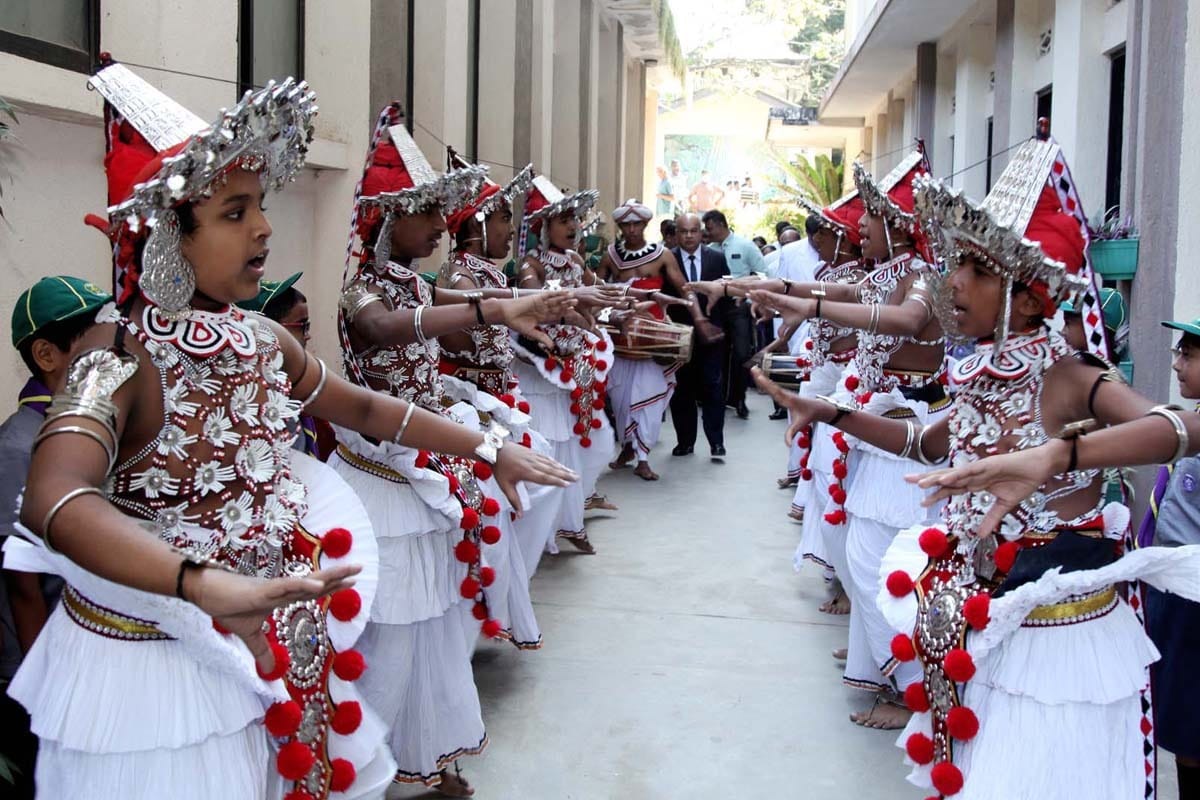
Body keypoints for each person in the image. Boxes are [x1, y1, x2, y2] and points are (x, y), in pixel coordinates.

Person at [8, 61, 567, 800]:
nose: (265, 227)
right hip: (153, 660)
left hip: (268, 627)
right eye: (234, 212)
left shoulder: (261, 340)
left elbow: (365, 409)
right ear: (165, 233)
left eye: (259, 206)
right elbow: (53, 501)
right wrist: (197, 584)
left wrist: (490, 447)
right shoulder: (113, 356)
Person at [766, 135, 1200, 799]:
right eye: (955, 264)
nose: (952, 283)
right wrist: (829, 411)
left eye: (976, 270)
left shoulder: (1066, 374)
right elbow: (929, 445)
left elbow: (1182, 426)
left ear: (1028, 300)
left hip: (1056, 627)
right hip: (986, 608)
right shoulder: (980, 372)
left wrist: (1063, 452)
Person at [333, 109, 578, 796]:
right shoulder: (363, 292)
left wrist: (544, 301)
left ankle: (427, 752)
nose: (444, 227)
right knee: (389, 637)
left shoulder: (414, 283)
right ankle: (359, 774)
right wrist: (491, 311)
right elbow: (385, 330)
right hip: (381, 480)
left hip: (428, 469)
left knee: (436, 626)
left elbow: (446, 306)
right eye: (430, 215)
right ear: (387, 217)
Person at [0, 276, 110, 800]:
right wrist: (48, 685)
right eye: (93, 346)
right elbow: (23, 584)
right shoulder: (22, 445)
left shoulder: (85, 427)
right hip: (47, 661)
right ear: (47, 353)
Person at [512, 174, 618, 554]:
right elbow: (533, 298)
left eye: (574, 219)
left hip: (577, 364)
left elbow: (594, 295)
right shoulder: (530, 263)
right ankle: (548, 528)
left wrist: (618, 303)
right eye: (564, 220)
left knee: (590, 439)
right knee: (550, 442)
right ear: (543, 226)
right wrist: (569, 308)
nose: (573, 226)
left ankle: (569, 519)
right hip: (540, 364)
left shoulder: (575, 259)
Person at [594, 198, 691, 481]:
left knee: (648, 397)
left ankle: (644, 457)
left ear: (646, 224)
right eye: (627, 224)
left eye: (637, 223)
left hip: (653, 332)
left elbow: (683, 287)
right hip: (621, 335)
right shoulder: (611, 255)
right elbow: (596, 288)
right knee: (620, 396)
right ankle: (627, 448)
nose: (632, 229)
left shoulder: (662, 254)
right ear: (621, 226)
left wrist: (695, 308)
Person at [236, 273, 336, 460]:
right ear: (270, 329)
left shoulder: (299, 382)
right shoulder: (252, 397)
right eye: (302, 325)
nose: (308, 336)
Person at [668, 213, 731, 458]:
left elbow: (725, 297)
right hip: (679, 337)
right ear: (676, 233)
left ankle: (716, 442)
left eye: (694, 231)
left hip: (712, 336)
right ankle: (685, 442)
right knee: (681, 389)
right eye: (684, 231)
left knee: (713, 388)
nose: (689, 236)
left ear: (701, 232)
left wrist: (723, 330)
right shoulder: (668, 260)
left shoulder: (716, 258)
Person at [702, 210, 765, 419]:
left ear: (721, 225)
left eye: (709, 228)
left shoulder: (745, 246)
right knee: (717, 352)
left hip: (739, 306)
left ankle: (739, 398)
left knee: (741, 353)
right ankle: (716, 397)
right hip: (716, 306)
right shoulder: (708, 250)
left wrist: (750, 298)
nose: (707, 233)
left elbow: (762, 274)